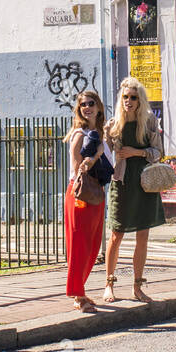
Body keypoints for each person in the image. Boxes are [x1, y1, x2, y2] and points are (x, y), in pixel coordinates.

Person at [103, 77, 165, 303]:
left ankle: (137, 287)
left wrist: (136, 152)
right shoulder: (113, 125)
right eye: (125, 97)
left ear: (140, 100)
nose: (128, 101)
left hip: (145, 184)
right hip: (122, 182)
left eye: (133, 97)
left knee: (143, 235)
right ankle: (109, 284)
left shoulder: (149, 121)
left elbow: (159, 152)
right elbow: (107, 157)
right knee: (116, 234)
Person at [63, 90, 108, 313]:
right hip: (81, 193)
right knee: (80, 246)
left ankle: (80, 289)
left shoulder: (98, 131)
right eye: (83, 105)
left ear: (98, 106)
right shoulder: (80, 134)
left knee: (92, 246)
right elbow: (78, 167)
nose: (87, 107)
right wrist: (97, 154)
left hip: (96, 192)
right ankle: (77, 295)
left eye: (91, 103)